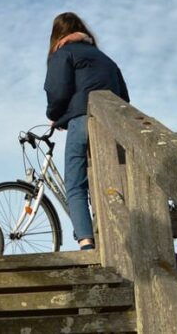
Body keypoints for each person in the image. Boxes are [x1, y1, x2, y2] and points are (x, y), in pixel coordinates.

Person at [44, 12, 129, 251]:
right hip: (113, 124)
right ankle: (118, 238)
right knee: (111, 178)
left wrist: (54, 115)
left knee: (75, 183)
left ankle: (86, 242)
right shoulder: (106, 58)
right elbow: (124, 97)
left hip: (82, 121)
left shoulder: (63, 52)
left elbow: (58, 91)